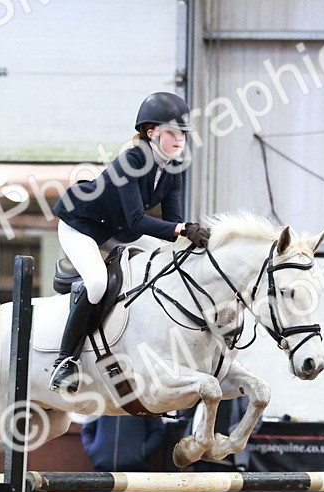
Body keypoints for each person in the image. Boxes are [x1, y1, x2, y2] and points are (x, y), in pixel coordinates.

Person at [49, 91, 212, 394]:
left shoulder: (173, 171)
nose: (180, 141)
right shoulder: (132, 159)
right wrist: (182, 228)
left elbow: (170, 226)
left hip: (117, 229)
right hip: (80, 224)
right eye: (172, 133)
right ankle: (65, 361)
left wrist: (193, 241)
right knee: (97, 283)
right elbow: (140, 220)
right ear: (152, 133)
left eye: (183, 135)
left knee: (165, 261)